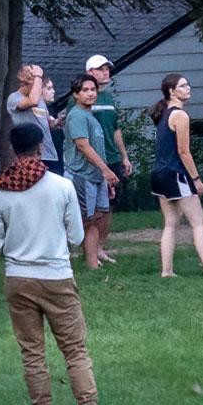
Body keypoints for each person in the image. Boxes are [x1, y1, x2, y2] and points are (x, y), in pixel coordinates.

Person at [0, 122, 112, 405]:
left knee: (32, 351)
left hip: (18, 278)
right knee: (75, 348)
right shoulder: (61, 186)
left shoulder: (1, 189)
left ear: (13, 149)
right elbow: (75, 237)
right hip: (56, 276)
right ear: (41, 147)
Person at [149, 74, 203, 278]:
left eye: (188, 84)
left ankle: (167, 271)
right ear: (171, 91)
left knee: (170, 223)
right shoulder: (180, 116)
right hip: (175, 174)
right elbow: (183, 152)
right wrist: (196, 179)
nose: (188, 88)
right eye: (183, 86)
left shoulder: (164, 114)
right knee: (198, 221)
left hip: (158, 174)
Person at [63, 75, 120, 271]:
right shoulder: (77, 115)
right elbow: (82, 145)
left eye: (93, 90)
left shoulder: (91, 116)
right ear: (75, 95)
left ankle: (93, 264)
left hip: (97, 177)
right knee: (82, 221)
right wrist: (106, 170)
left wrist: (104, 176)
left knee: (96, 219)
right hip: (82, 175)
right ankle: (60, 260)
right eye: (85, 90)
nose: (90, 93)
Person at [84, 55, 131, 266]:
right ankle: (90, 250)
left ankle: (101, 247)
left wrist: (124, 156)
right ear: (89, 73)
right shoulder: (81, 98)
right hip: (93, 160)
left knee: (109, 206)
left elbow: (116, 130)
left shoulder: (110, 99)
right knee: (92, 207)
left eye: (107, 69)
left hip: (112, 158)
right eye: (100, 69)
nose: (106, 72)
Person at [7, 64, 63, 176]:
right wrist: (38, 75)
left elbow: (46, 122)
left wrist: (55, 123)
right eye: (36, 81)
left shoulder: (40, 101)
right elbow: (33, 101)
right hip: (31, 156)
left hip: (49, 154)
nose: (38, 85)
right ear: (24, 82)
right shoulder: (14, 98)